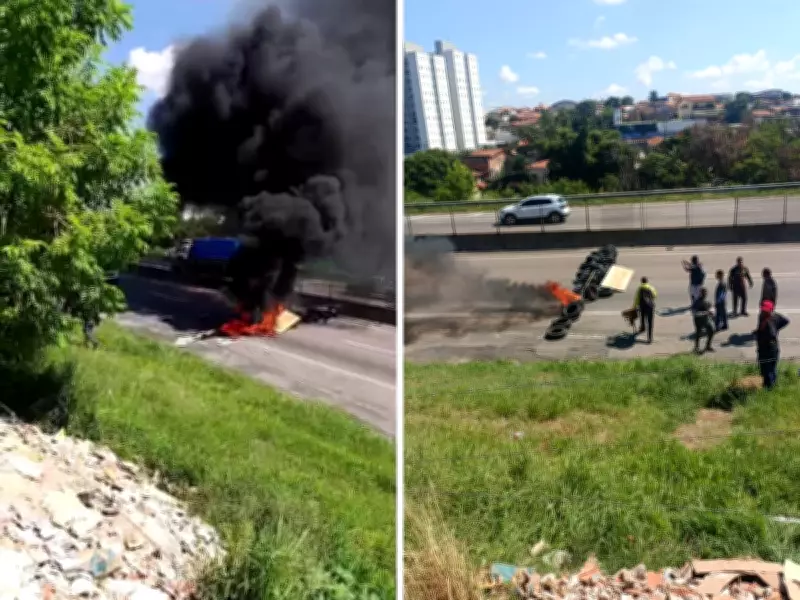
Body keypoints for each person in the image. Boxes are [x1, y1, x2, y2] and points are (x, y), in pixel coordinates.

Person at [753, 300, 789, 390]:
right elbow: (785, 321)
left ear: (770, 310)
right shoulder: (764, 317)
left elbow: (771, 334)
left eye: (766, 310)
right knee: (767, 369)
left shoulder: (771, 320)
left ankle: (769, 388)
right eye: (763, 310)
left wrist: (776, 329)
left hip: (769, 349)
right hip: (767, 348)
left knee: (769, 369)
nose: (764, 312)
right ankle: (769, 385)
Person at [633, 276, 657, 343]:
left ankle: (642, 328)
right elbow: (655, 295)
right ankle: (649, 338)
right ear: (647, 281)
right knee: (650, 322)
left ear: (641, 282)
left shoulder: (640, 288)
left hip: (642, 306)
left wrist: (634, 307)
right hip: (650, 306)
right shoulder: (651, 287)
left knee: (642, 317)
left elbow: (637, 299)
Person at [691, 287, 715, 353]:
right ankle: (696, 347)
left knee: (712, 330)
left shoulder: (707, 301)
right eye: (703, 293)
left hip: (706, 319)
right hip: (698, 320)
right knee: (698, 333)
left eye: (706, 293)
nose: (705, 294)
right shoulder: (697, 302)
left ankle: (708, 346)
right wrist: (705, 313)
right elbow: (694, 313)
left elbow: (712, 308)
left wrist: (712, 311)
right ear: (700, 294)